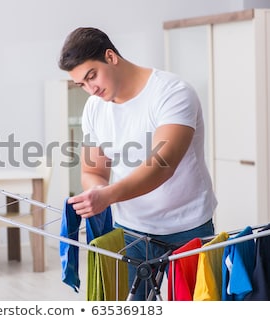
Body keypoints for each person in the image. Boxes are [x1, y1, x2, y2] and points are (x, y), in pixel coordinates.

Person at [58, 27, 218, 300]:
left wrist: (107, 195)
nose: (90, 89)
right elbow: (93, 170)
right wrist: (96, 191)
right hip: (131, 231)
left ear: (111, 57)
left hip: (188, 226)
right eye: (81, 84)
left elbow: (162, 165)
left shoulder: (172, 92)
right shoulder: (95, 108)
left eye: (91, 76)